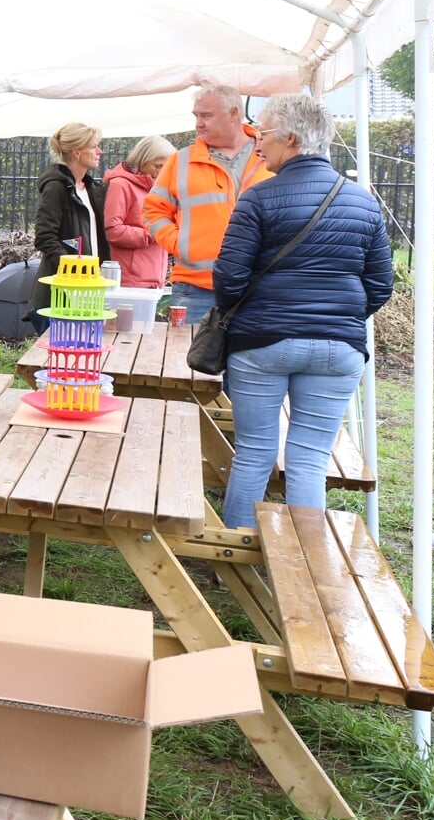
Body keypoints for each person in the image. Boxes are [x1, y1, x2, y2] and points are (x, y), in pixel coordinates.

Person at [216, 95, 392, 530]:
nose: (256, 144)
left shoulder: (258, 198)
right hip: (339, 347)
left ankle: (235, 562)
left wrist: (258, 312)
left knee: (255, 452)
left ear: (290, 138)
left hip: (262, 343)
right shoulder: (364, 203)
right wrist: (338, 318)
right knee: (310, 459)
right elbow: (380, 286)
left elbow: (228, 280)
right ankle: (305, 561)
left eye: (263, 133)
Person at [143, 85, 271, 318]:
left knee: (251, 356)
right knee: (190, 355)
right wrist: (179, 243)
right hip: (196, 289)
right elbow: (153, 211)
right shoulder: (180, 161)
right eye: (197, 116)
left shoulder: (271, 154)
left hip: (260, 288)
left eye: (206, 116)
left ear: (234, 113)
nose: (198, 124)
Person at [28, 123, 111, 327]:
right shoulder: (57, 187)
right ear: (76, 152)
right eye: (94, 146)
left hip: (87, 290)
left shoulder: (91, 188)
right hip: (61, 293)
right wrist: (72, 270)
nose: (100, 152)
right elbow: (44, 237)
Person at [103, 135, 175, 288]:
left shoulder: (160, 189)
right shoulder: (120, 185)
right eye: (158, 166)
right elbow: (114, 231)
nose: (162, 172)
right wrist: (154, 234)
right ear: (142, 160)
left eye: (166, 167)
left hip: (155, 275)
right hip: (131, 278)